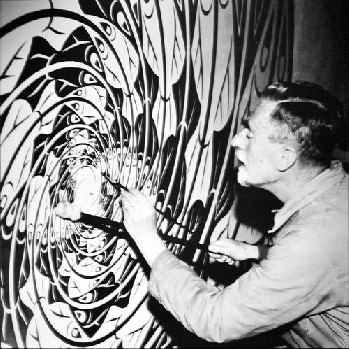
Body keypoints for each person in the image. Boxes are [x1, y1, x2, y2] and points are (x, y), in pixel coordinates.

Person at [120, 81, 349, 348]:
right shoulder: (334, 195)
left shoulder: (311, 242)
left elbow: (214, 320)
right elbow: (326, 266)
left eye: (250, 134)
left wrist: (147, 240)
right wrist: (255, 253)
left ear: (284, 158)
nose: (235, 140)